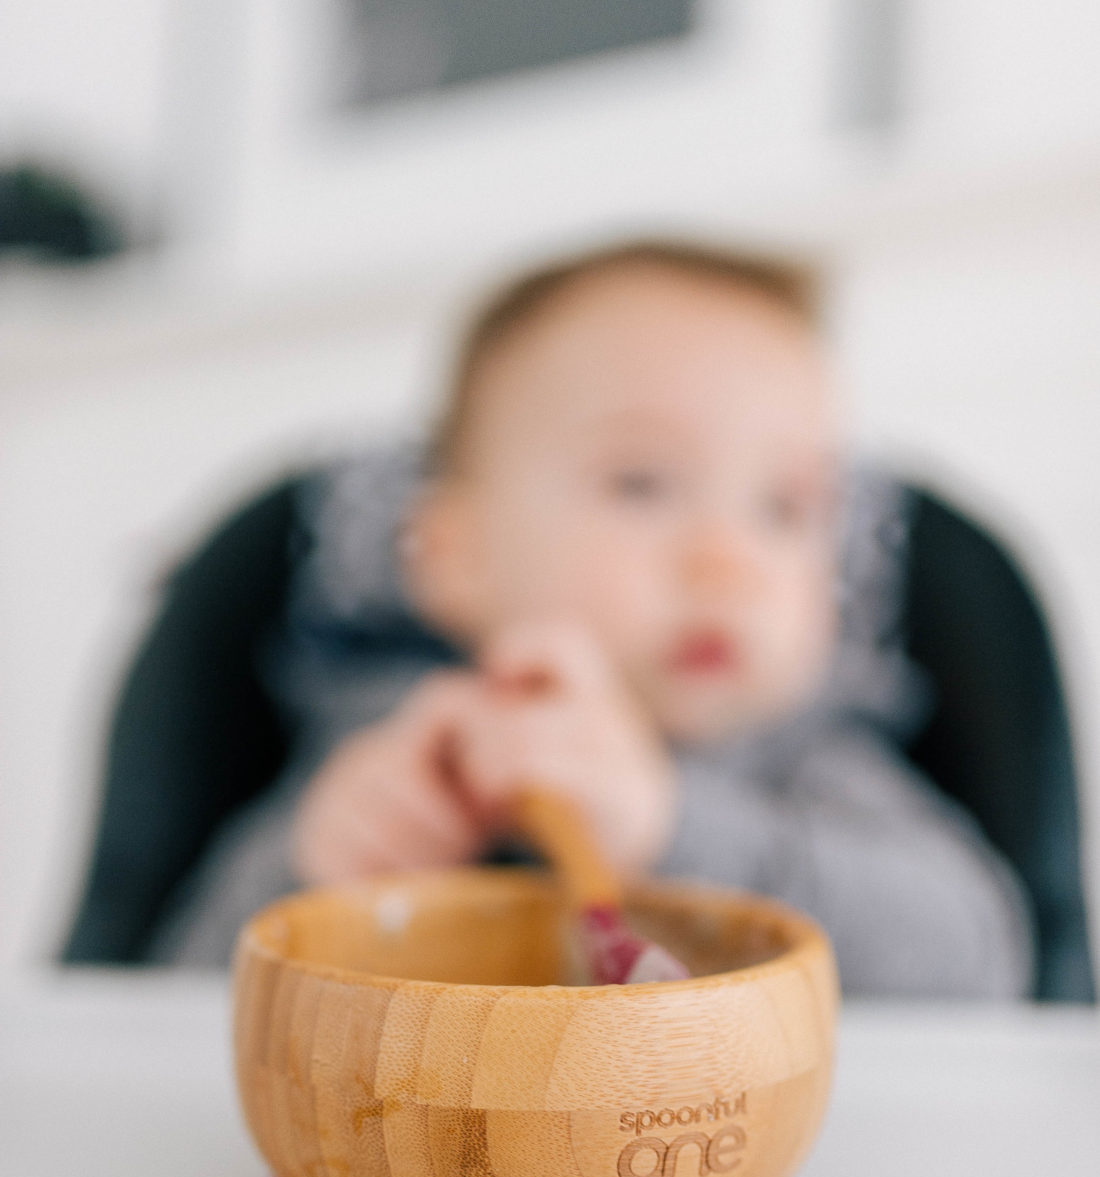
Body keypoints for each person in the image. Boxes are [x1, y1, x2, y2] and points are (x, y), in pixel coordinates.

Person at [150, 240, 1033, 994]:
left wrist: (667, 827)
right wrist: (310, 873)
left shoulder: (805, 759)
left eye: (786, 507)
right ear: (457, 555)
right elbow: (160, 995)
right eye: (641, 482)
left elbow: (984, 967)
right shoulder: (394, 739)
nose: (725, 558)